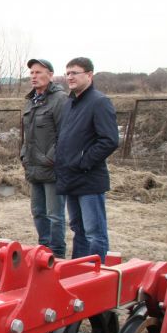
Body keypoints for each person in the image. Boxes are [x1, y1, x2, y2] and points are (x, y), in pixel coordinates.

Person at [54, 57, 119, 262]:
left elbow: (109, 140)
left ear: (89, 75)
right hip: (70, 178)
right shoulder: (70, 103)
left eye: (75, 73)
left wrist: (83, 162)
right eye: (68, 73)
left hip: (89, 179)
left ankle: (97, 275)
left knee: (94, 232)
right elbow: (65, 138)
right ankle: (78, 271)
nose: (70, 77)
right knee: (78, 229)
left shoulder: (99, 102)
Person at [21, 58, 68, 258]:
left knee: (55, 215)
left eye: (38, 72)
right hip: (33, 166)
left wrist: (51, 158)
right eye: (32, 73)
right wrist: (24, 155)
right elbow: (28, 134)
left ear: (50, 74)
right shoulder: (31, 101)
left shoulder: (60, 99)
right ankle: (44, 250)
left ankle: (56, 254)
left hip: (51, 168)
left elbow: (65, 135)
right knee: (38, 212)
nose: (34, 76)